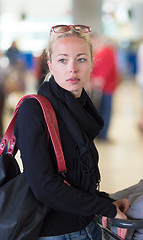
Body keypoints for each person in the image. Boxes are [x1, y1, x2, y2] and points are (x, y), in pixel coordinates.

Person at [14, 25, 129, 240]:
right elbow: (44, 187)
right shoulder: (34, 110)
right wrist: (105, 209)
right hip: (54, 233)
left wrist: (104, 202)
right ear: (50, 65)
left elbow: (74, 178)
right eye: (63, 60)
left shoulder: (84, 110)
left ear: (93, 64)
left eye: (81, 59)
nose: (72, 69)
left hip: (88, 226)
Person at [90, 34, 118, 141]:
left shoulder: (104, 52)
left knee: (104, 111)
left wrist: (98, 79)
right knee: (104, 111)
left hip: (105, 87)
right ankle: (102, 135)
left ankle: (102, 135)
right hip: (104, 87)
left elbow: (104, 71)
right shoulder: (103, 53)